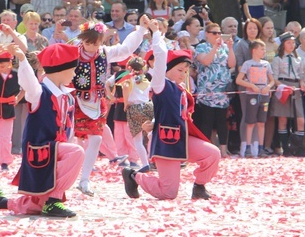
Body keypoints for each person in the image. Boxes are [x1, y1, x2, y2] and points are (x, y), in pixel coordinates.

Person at [0, 44, 85, 218]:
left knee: (36, 205)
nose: (74, 74)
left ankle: (1, 202)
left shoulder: (68, 96)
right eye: (72, 69)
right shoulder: (39, 92)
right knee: (77, 152)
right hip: (40, 150)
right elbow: (28, 81)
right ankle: (53, 201)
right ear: (59, 70)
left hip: (56, 150)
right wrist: (22, 59)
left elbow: (68, 128)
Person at [122, 25, 221, 200]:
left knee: (212, 153)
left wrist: (153, 120)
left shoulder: (181, 88)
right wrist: (157, 34)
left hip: (182, 138)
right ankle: (134, 176)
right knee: (168, 193)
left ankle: (199, 186)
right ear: (166, 70)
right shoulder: (161, 84)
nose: (183, 74)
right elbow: (160, 58)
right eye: (179, 70)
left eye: (185, 71)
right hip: (166, 142)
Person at [71, 18, 147, 195]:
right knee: (72, 140)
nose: (92, 47)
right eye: (89, 43)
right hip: (76, 101)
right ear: (82, 39)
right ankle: (65, 177)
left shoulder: (105, 52)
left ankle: (85, 180)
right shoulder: (72, 52)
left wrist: (141, 30)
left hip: (97, 102)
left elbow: (126, 49)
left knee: (96, 139)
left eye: (96, 43)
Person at [193, 22, 235, 158]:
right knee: (207, 120)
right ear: (207, 34)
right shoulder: (201, 47)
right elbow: (206, 61)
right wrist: (214, 48)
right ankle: (206, 150)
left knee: (222, 121)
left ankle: (223, 149)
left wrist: (230, 48)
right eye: (214, 33)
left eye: (219, 33)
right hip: (207, 89)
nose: (217, 35)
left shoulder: (224, 47)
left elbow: (232, 64)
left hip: (222, 90)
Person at [236, 40, 275, 158]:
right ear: (254, 50)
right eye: (262, 49)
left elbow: (272, 80)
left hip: (264, 96)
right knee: (250, 122)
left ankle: (261, 148)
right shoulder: (247, 64)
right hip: (251, 95)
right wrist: (251, 86)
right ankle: (248, 148)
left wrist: (268, 87)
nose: (264, 51)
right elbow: (239, 80)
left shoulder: (266, 64)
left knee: (261, 122)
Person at [270, 32, 305, 157]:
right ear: (283, 44)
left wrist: (302, 83)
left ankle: (300, 148)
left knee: (300, 119)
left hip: (295, 87)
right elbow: (274, 78)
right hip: (283, 85)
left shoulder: (298, 59)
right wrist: (284, 87)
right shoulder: (277, 59)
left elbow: (301, 75)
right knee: (282, 118)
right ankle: (286, 148)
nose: (291, 45)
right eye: (288, 42)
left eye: (293, 42)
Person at [122, 56, 153, 171]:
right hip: (148, 106)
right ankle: (154, 159)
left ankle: (145, 164)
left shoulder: (129, 79)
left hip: (134, 108)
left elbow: (125, 88)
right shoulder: (145, 79)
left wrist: (125, 104)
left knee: (138, 140)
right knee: (151, 134)